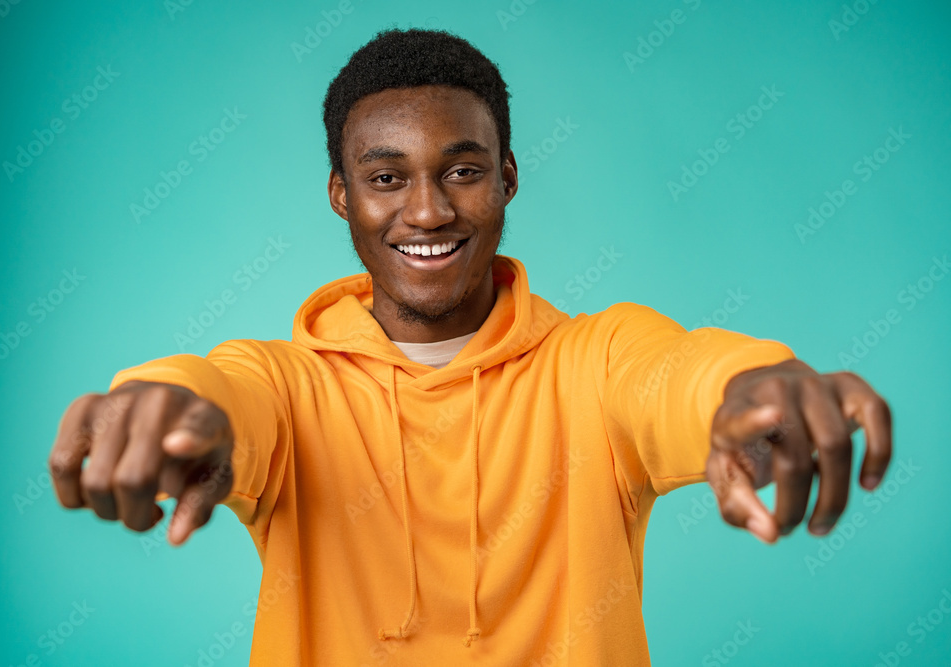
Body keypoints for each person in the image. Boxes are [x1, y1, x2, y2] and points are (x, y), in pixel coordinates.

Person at [48, 28, 892, 666]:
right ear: (342, 194)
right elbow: (221, 392)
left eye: (462, 170)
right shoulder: (288, 383)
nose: (427, 211)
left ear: (508, 177)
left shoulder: (594, 361)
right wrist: (161, 401)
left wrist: (751, 383)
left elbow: (676, 374)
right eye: (386, 177)